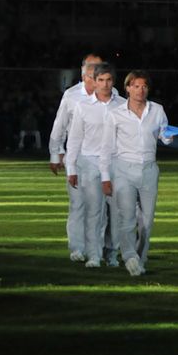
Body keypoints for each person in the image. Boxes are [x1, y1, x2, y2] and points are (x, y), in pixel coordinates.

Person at [100, 70, 172, 276]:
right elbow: (106, 148)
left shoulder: (157, 110)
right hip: (123, 169)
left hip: (149, 169)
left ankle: (140, 256)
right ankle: (130, 257)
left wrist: (169, 138)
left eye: (144, 86)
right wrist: (105, 177)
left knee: (147, 222)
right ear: (128, 88)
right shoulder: (115, 114)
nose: (141, 90)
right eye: (136, 86)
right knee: (127, 218)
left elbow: (164, 134)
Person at [65, 63, 125, 268]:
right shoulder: (83, 107)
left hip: (116, 164)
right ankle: (93, 255)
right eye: (101, 80)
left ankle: (112, 253)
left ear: (113, 82)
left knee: (117, 213)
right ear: (93, 81)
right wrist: (71, 168)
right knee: (93, 211)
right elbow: (74, 140)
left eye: (109, 80)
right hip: (89, 162)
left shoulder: (123, 105)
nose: (105, 84)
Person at [48, 53, 103, 262]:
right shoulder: (71, 95)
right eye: (92, 67)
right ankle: (78, 248)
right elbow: (59, 126)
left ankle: (96, 249)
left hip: (104, 158)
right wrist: (56, 153)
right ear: (83, 71)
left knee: (102, 207)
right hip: (77, 156)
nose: (96, 71)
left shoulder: (112, 93)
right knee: (78, 203)